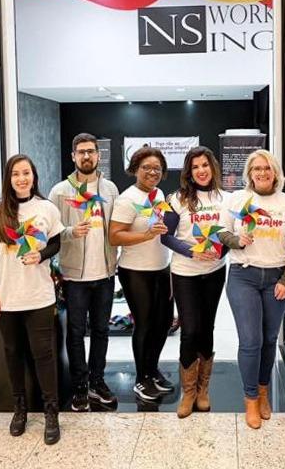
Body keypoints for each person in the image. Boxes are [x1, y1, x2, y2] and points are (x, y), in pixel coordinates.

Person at [0, 154, 66, 445]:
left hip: (39, 295)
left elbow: (56, 242)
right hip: (7, 297)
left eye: (26, 173)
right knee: (13, 353)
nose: (21, 178)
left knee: (44, 355)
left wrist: (41, 254)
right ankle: (19, 409)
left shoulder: (46, 208)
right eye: (16, 174)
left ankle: (52, 412)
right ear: (9, 178)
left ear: (34, 176)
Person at [219, 149, 285, 429]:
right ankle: (250, 399)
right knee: (250, 340)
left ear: (275, 172)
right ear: (249, 174)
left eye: (267, 168)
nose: (262, 173)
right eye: (256, 169)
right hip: (244, 276)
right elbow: (220, 232)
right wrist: (236, 240)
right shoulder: (237, 199)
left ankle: (263, 390)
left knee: (269, 340)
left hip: (277, 277)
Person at [48, 133, 120, 412]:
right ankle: (80, 386)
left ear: (98, 155)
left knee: (102, 330)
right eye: (81, 152)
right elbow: (51, 234)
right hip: (74, 276)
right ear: (73, 156)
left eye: (91, 151)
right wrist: (69, 232)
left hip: (104, 272)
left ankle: (97, 381)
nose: (87, 156)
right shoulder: (60, 191)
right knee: (76, 332)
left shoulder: (110, 188)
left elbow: (116, 226)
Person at [161, 146, 228, 418]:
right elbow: (166, 236)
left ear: (212, 167)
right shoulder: (176, 199)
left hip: (214, 271)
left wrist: (221, 251)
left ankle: (203, 389)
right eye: (195, 166)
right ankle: (188, 392)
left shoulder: (226, 198)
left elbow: (230, 235)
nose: (201, 171)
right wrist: (192, 251)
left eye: (205, 165)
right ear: (189, 172)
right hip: (185, 272)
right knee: (189, 329)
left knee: (207, 328)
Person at [109, 146, 173, 402]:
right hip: (136, 272)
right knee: (145, 325)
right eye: (146, 167)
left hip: (161, 268)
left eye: (157, 168)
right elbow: (114, 236)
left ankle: (153, 369)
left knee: (163, 323)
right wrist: (146, 235)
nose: (152, 172)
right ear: (135, 169)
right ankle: (141, 379)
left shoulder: (159, 195)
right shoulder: (127, 198)